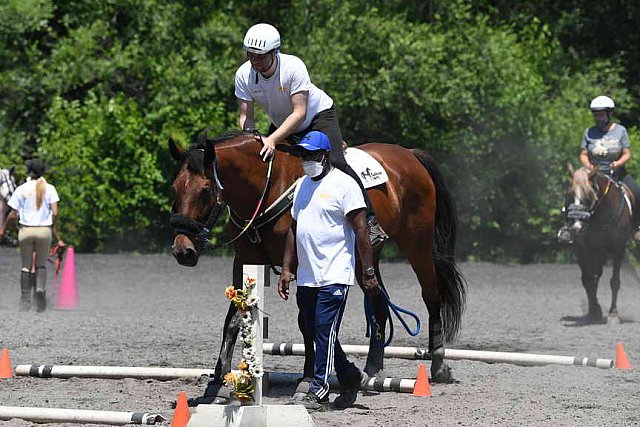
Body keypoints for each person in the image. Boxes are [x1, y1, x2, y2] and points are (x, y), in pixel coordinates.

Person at [235, 22, 388, 248]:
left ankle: (371, 222)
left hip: (316, 117)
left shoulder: (293, 67)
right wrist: (250, 139)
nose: (254, 61)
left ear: (274, 52)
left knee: (336, 161)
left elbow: (299, 112)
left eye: (261, 56)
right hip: (282, 124)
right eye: (251, 55)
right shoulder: (243, 74)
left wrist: (273, 139)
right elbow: (245, 115)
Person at [277, 131, 380, 411]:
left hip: (334, 274)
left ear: (324, 156)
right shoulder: (301, 186)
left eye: (311, 155)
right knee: (312, 329)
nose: (306, 161)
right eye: (303, 156)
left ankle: (318, 390)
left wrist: (368, 272)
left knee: (324, 330)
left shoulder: (344, 185)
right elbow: (294, 228)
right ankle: (348, 375)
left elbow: (361, 230)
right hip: (308, 276)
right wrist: (287, 268)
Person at [558, 95, 640, 243]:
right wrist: (589, 166)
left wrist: (617, 163)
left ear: (609, 114)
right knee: (572, 191)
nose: (598, 117)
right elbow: (583, 154)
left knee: (636, 190)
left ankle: (637, 228)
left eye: (601, 114)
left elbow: (627, 153)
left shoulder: (620, 131)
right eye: (596, 114)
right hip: (593, 174)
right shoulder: (589, 132)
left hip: (616, 172)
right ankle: (567, 227)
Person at [0, 159, 64, 311]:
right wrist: (51, 227)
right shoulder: (50, 188)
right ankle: (40, 289)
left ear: (29, 171)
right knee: (41, 264)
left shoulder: (21, 189)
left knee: (26, 266)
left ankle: (25, 300)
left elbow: (12, 215)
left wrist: (4, 229)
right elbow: (55, 212)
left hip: (26, 231)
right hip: (44, 231)